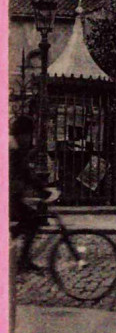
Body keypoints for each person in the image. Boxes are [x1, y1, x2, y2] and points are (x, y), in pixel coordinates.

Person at [9, 115, 50, 273]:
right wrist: (42, 190)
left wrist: (42, 190)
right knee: (31, 221)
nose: (30, 140)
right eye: (29, 135)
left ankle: (21, 258)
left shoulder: (15, 148)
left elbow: (25, 174)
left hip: (11, 196)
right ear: (22, 134)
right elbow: (24, 174)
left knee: (29, 221)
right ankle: (22, 260)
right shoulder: (12, 149)